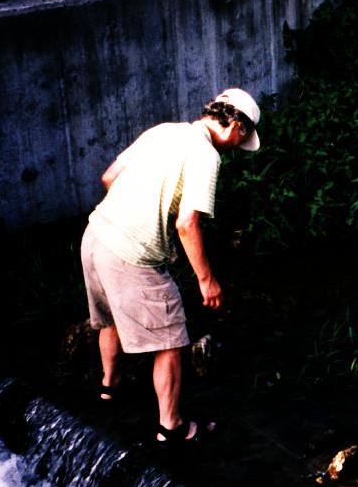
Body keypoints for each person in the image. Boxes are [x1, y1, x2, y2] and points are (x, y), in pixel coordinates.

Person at [80, 88, 260, 443]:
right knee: (172, 338)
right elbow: (186, 223)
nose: (237, 147)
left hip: (96, 235)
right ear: (235, 126)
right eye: (242, 138)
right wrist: (207, 281)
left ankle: (109, 388)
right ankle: (172, 426)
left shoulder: (163, 131)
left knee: (112, 317)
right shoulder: (207, 156)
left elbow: (108, 178)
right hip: (130, 255)